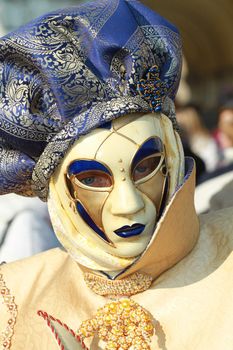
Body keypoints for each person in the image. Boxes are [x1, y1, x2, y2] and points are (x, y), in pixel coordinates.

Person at [0, 1, 232, 349]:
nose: (129, 204)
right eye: (92, 178)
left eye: (145, 166)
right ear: (63, 191)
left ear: (171, 157)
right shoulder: (18, 296)